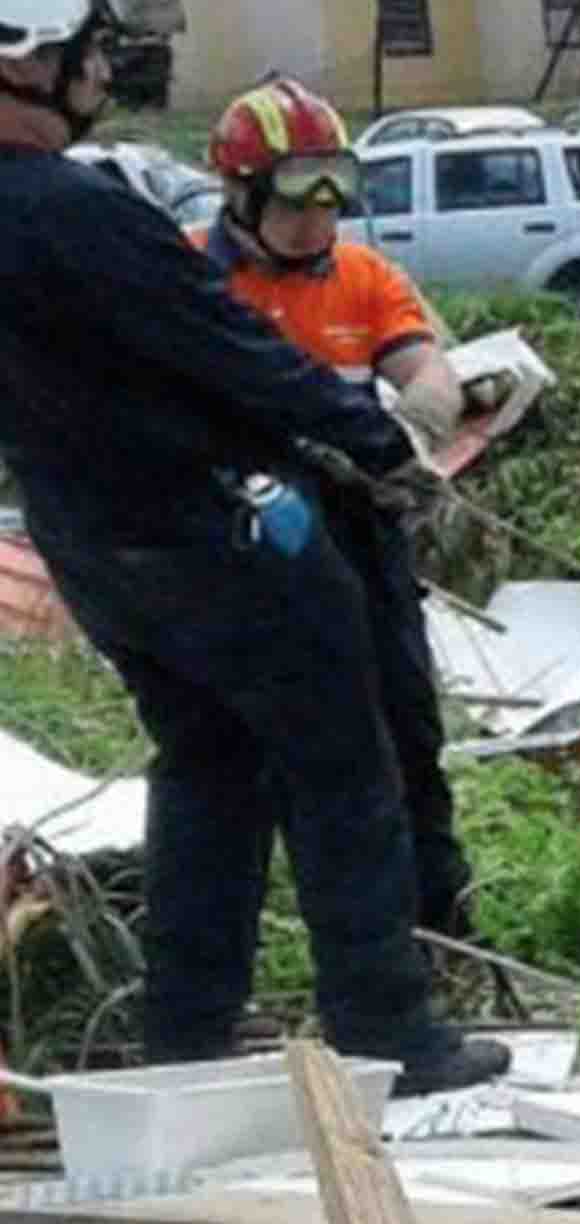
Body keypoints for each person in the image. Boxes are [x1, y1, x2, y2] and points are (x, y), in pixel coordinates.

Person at [0, 0, 506, 1094]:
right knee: (341, 765)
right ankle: (389, 1032)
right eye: (91, 51)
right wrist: (377, 438)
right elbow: (225, 345)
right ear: (32, 59)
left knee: (207, 769)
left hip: (94, 547)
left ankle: (185, 1040)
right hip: (217, 534)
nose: (103, 71)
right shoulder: (82, 211)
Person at [198, 75, 480, 940]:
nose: (322, 213)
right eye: (297, 191)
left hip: (361, 536)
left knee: (407, 730)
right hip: (244, 552)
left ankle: (439, 919)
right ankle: (279, 938)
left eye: (338, 187)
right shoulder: (189, 279)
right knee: (259, 758)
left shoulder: (363, 278)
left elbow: (424, 369)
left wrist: (419, 428)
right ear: (243, 193)